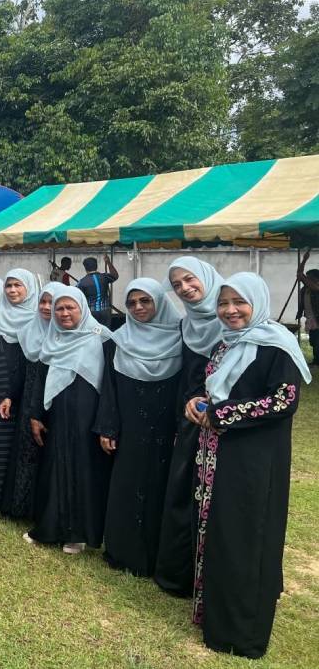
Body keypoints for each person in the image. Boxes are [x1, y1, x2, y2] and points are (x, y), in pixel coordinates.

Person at [185, 272, 311, 658]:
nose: (230, 310)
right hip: (219, 454)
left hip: (254, 460)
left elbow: (283, 400)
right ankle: (214, 615)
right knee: (220, 532)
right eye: (223, 303)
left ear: (257, 302)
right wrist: (197, 401)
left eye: (239, 302)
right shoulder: (225, 344)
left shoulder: (277, 346)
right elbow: (216, 388)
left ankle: (240, 633)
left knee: (247, 536)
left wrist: (221, 414)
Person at [94, 279, 183, 576]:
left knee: (161, 487)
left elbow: (187, 387)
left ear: (160, 302)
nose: (138, 307)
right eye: (131, 303)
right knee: (126, 485)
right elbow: (109, 387)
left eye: (145, 301)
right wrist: (108, 427)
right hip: (130, 427)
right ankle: (122, 551)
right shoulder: (118, 340)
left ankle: (156, 555)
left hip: (165, 430)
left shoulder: (181, 339)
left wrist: (181, 429)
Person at [154, 257, 224, 597]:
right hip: (189, 420)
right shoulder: (186, 324)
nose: (184, 288)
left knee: (218, 499)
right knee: (184, 490)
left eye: (190, 279)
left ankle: (216, 578)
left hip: (224, 423)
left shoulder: (233, 320)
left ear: (207, 277)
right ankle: (180, 574)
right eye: (177, 284)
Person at [25, 286, 112, 554]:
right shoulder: (53, 339)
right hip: (58, 417)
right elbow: (40, 380)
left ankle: (78, 534)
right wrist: (36, 415)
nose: (64, 313)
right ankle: (49, 528)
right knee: (55, 469)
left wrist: (105, 424)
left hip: (88, 419)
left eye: (70, 307)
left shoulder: (102, 338)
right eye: (59, 309)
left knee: (83, 471)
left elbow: (110, 386)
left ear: (82, 308)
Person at [0, 269, 39, 511]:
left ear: (29, 288)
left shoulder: (37, 319)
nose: (12, 290)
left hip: (27, 389)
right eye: (9, 285)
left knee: (21, 441)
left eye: (17, 285)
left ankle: (15, 500)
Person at [0, 282, 58, 519]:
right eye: (43, 302)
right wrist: (10, 395)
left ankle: (43, 511)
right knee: (26, 451)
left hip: (54, 403)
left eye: (52, 302)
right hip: (28, 399)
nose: (46, 307)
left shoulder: (66, 336)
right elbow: (21, 370)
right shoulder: (30, 331)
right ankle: (22, 506)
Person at [76, 255, 118, 326]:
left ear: (85, 268)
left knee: (92, 331)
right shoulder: (105, 277)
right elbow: (115, 275)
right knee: (105, 331)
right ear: (96, 266)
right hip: (105, 311)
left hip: (91, 313)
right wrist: (108, 262)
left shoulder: (81, 282)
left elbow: (78, 298)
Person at [296, 250, 319, 366]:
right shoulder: (306, 289)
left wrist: (304, 260)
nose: (307, 279)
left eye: (310, 278)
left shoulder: (316, 287)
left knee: (317, 341)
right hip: (311, 319)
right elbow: (299, 274)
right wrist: (304, 260)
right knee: (313, 341)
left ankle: (317, 361)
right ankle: (316, 360)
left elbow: (300, 275)